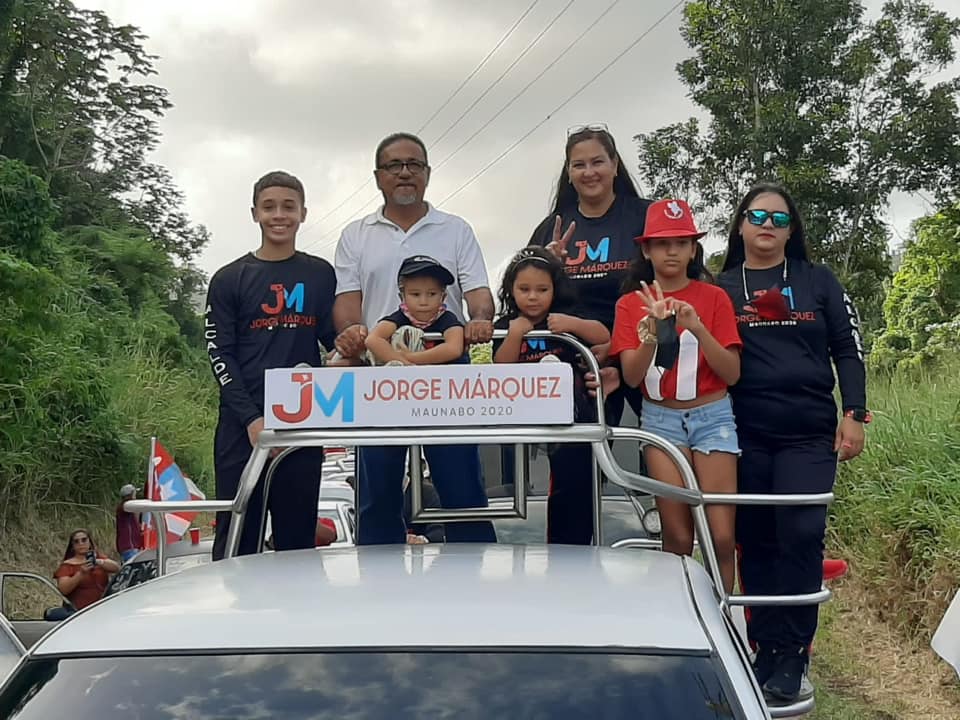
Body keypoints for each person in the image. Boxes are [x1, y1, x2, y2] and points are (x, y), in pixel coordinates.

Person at [717, 182, 867, 702]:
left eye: (779, 219)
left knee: (800, 533)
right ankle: (764, 649)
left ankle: (794, 654)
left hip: (807, 432)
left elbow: (848, 349)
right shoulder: (721, 288)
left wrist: (855, 413)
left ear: (792, 230)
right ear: (740, 224)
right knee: (756, 539)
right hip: (743, 430)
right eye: (757, 215)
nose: (767, 225)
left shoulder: (817, 280)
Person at [332, 132, 496, 545]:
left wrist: (479, 319)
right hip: (380, 374)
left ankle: (478, 591)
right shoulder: (356, 234)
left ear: (426, 173)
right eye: (394, 166)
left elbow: (478, 293)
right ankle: (378, 593)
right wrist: (351, 334)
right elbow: (348, 303)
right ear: (377, 176)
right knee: (377, 492)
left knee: (463, 489)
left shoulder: (456, 229)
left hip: (446, 369)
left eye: (414, 165)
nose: (405, 173)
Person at [609, 199, 741, 593]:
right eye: (662, 243)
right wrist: (652, 328)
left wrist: (696, 327)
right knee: (678, 539)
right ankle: (680, 624)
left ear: (693, 249)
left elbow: (732, 372)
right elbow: (633, 376)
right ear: (646, 250)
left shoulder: (714, 298)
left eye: (681, 242)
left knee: (720, 536)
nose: (672, 251)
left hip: (712, 414)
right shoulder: (630, 303)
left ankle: (724, 622)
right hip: (661, 420)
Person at [204, 170, 337, 560]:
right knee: (236, 540)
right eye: (269, 207)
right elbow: (220, 354)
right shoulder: (229, 278)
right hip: (240, 428)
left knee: (297, 542)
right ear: (254, 213)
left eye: (288, 207)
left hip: (301, 425)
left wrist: (357, 347)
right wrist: (251, 419)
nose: (279, 215)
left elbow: (332, 341)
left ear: (303, 213)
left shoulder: (320, 273)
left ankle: (296, 620)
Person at [529, 123, 651, 427]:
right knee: (579, 463)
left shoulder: (646, 216)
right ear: (568, 174)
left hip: (643, 349)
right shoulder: (550, 228)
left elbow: (675, 284)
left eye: (597, 162)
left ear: (614, 165)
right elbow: (525, 293)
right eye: (579, 165)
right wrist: (548, 265)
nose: (589, 172)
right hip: (576, 359)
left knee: (661, 455)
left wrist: (617, 348)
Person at [493, 247, 610, 544]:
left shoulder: (567, 316)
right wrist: (516, 333)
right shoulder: (505, 325)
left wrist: (572, 325)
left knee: (573, 483)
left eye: (542, 289)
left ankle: (572, 548)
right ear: (510, 290)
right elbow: (500, 366)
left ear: (555, 289)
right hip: (519, 418)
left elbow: (604, 335)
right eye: (524, 289)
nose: (533, 297)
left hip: (571, 419)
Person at [54, 529, 120, 610]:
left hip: (103, 606)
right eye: (76, 541)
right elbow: (63, 589)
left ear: (89, 542)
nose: (81, 544)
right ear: (72, 545)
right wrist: (80, 574)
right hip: (80, 610)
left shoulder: (98, 557)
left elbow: (116, 568)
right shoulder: (67, 565)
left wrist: (99, 562)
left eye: (84, 540)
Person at [115, 483, 143, 563]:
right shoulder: (124, 506)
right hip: (129, 547)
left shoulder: (129, 509)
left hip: (133, 547)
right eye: (134, 493)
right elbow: (133, 506)